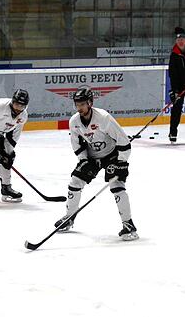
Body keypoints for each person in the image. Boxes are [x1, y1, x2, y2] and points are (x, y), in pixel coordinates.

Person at [55, 86, 137, 241]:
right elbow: (77, 144)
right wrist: (83, 160)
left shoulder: (103, 117)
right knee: (75, 182)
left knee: (117, 186)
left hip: (112, 155)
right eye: (77, 104)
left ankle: (128, 224)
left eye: (82, 104)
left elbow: (123, 141)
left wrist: (121, 162)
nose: (79, 107)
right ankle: (69, 218)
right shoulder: (74, 121)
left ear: (90, 103)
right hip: (91, 158)